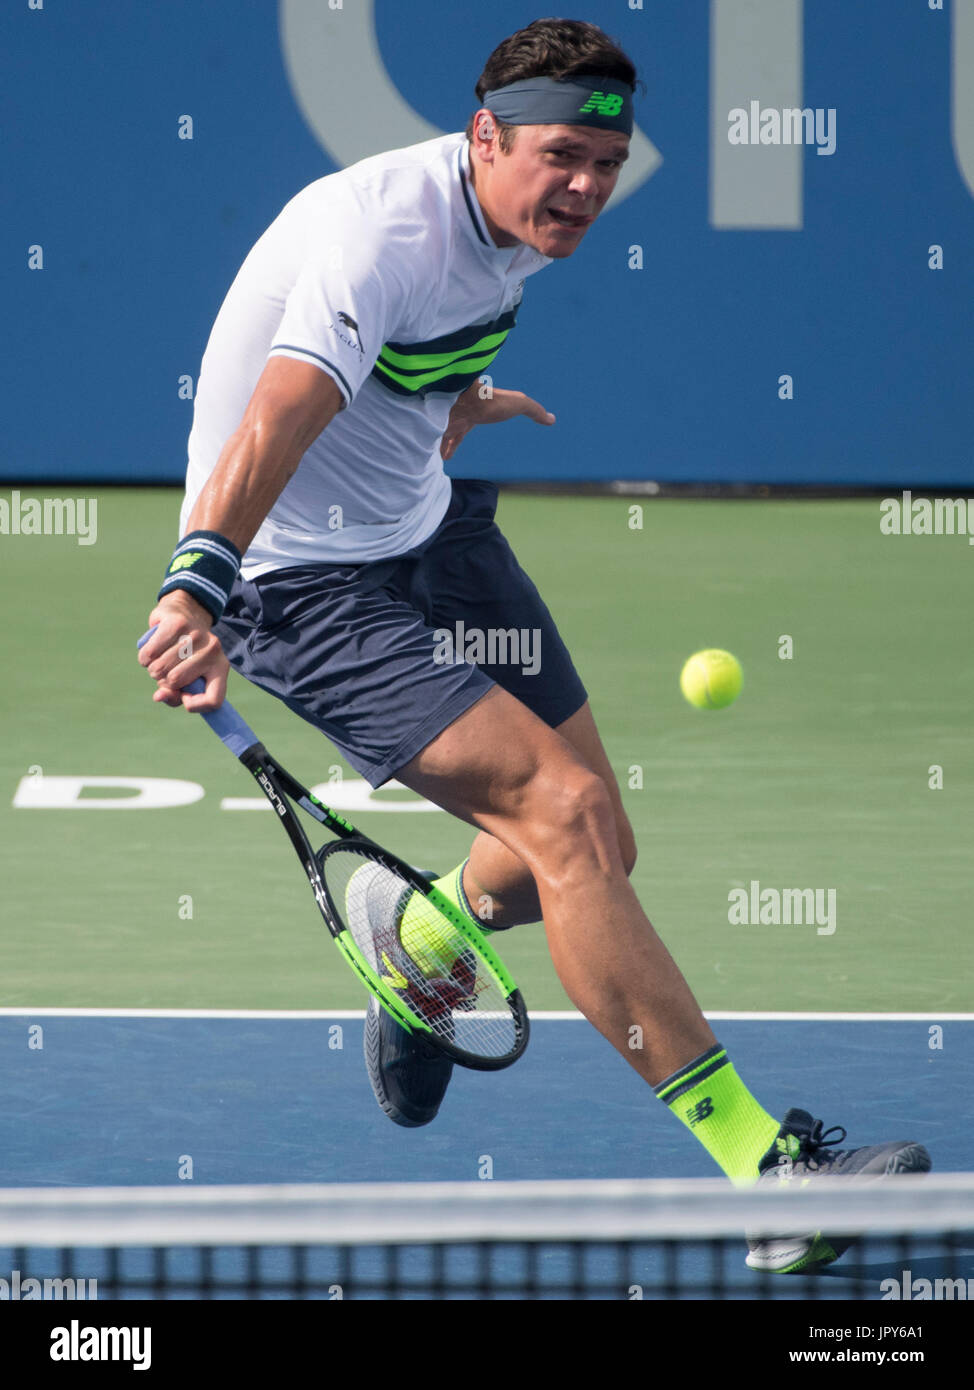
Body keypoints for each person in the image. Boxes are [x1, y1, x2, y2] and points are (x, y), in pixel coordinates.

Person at [138, 18, 929, 1273]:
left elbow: (390, 365)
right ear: (484, 134)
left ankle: (421, 943)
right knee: (559, 816)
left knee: (597, 831)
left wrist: (445, 404)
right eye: (561, 157)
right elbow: (282, 406)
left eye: (607, 170)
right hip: (296, 582)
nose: (584, 189)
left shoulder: (515, 226)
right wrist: (198, 580)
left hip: (426, 532)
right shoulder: (380, 230)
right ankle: (765, 1176)